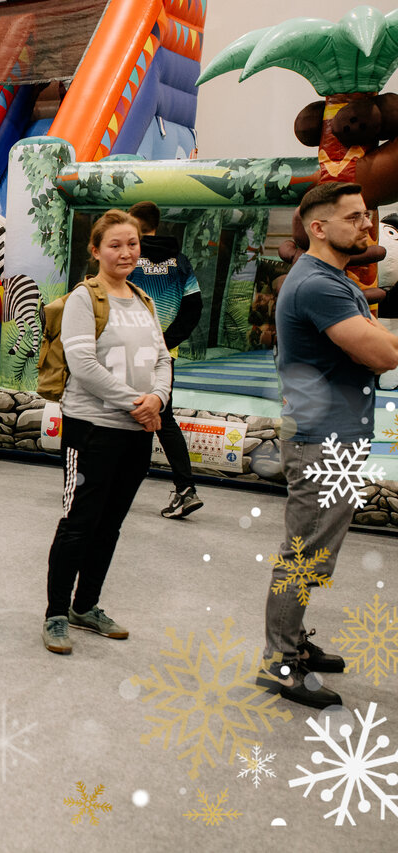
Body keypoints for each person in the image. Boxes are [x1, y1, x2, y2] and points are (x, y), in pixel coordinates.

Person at [259, 182, 398, 708]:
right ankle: (278, 663)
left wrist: (375, 344)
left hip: (334, 436)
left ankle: (293, 642)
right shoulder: (318, 285)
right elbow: (380, 355)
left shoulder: (335, 279)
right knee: (302, 556)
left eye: (366, 215)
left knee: (314, 552)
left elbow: (373, 348)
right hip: (321, 443)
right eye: (354, 217)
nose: (367, 225)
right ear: (318, 228)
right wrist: (377, 345)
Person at [42, 209, 171, 655]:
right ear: (95, 250)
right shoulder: (85, 299)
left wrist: (158, 399)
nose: (126, 252)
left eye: (132, 244)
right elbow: (83, 365)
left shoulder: (143, 299)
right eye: (115, 245)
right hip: (91, 431)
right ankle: (57, 613)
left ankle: (86, 606)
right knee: (79, 523)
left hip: (136, 433)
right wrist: (139, 404)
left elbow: (163, 359)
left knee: (110, 525)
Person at [127, 201, 204, 519]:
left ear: (134, 223)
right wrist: (165, 342)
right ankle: (185, 488)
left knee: (120, 414)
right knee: (162, 417)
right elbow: (194, 308)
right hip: (163, 356)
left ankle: (100, 483)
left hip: (127, 351)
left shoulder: (128, 258)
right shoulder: (181, 262)